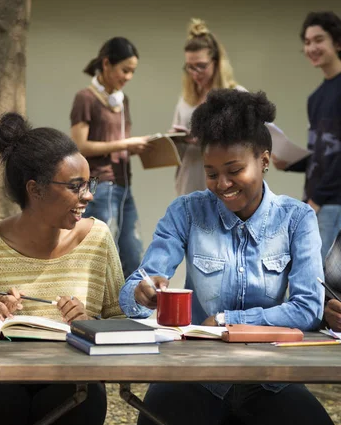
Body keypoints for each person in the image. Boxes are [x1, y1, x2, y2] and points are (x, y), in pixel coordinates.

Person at [119, 90, 333, 425]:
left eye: (234, 170)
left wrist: (225, 322)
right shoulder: (186, 212)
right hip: (196, 374)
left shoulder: (297, 219)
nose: (223, 184)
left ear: (264, 160)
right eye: (211, 172)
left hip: (270, 377)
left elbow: (307, 308)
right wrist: (141, 293)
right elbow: (139, 281)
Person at [0, 112, 125, 425]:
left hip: (74, 380)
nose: (88, 196)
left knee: (77, 396)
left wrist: (92, 324)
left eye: (90, 184)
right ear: (35, 190)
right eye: (76, 187)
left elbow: (122, 322)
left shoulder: (98, 238)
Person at [70, 36, 152, 278]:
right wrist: (125, 144)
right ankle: (104, 310)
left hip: (123, 184)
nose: (128, 77)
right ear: (106, 63)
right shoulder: (85, 98)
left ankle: (129, 307)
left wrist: (133, 149)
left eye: (132, 72)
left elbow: (116, 143)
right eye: (125, 70)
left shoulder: (123, 100)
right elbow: (80, 145)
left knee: (132, 250)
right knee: (107, 252)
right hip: (100, 184)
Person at [272, 11, 341, 262]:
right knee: (309, 269)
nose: (311, 47)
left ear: (338, 42)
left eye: (318, 40)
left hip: (332, 201)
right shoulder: (315, 97)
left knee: (324, 278)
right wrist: (291, 164)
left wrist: (318, 200)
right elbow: (324, 153)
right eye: (307, 42)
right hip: (316, 198)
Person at [171, 18, 241, 196]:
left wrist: (207, 140)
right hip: (189, 179)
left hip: (225, 183)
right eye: (189, 67)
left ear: (217, 62)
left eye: (201, 66)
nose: (195, 73)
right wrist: (173, 140)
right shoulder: (186, 99)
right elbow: (178, 153)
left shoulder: (237, 96)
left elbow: (249, 147)